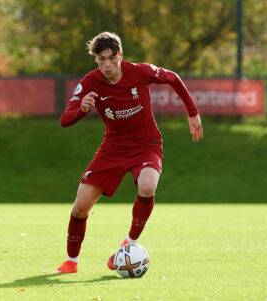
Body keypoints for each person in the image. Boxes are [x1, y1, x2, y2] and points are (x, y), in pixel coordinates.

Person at [56, 31, 203, 274]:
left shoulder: (140, 72)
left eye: (111, 58)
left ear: (120, 55)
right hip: (112, 148)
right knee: (81, 206)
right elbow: (65, 120)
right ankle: (71, 261)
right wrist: (82, 110)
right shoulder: (90, 82)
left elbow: (173, 78)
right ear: (95, 60)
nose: (107, 65)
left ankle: (129, 243)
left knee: (147, 186)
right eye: (101, 59)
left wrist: (192, 112)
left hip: (147, 143)